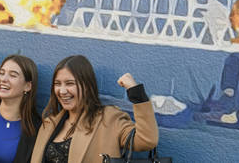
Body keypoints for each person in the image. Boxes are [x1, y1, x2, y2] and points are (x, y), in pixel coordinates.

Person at [30, 55, 158, 163]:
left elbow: (146, 141)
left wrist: (136, 94)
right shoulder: (49, 124)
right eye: (57, 84)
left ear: (86, 86)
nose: (62, 91)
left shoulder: (109, 119)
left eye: (70, 83)